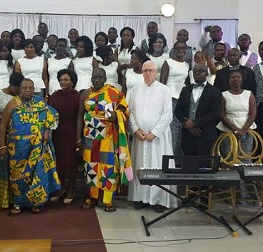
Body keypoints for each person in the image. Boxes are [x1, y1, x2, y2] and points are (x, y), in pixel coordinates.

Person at [0, 79, 60, 215]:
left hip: (36, 147)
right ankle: (18, 203)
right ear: (20, 89)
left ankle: (37, 202)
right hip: (17, 148)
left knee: (36, 174)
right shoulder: (12, 104)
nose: (27, 90)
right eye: (24, 88)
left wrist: (47, 130)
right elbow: (2, 126)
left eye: (30, 88)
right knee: (17, 176)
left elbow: (52, 115)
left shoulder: (39, 102)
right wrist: (1, 146)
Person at [78, 68, 132, 212]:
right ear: (91, 78)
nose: (97, 80)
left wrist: (116, 114)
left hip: (107, 137)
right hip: (90, 138)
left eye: (100, 77)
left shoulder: (113, 92)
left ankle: (108, 200)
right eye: (94, 77)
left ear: (105, 78)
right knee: (91, 168)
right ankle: (93, 197)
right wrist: (78, 139)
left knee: (108, 167)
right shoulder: (85, 93)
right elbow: (79, 117)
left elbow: (124, 109)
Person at [127, 61, 176, 212]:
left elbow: (168, 114)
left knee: (158, 165)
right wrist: (135, 129)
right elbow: (130, 112)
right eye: (145, 71)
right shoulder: (135, 90)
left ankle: (159, 200)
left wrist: (154, 132)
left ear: (156, 72)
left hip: (158, 138)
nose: (148, 73)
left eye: (151, 71)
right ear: (142, 72)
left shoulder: (165, 90)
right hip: (140, 137)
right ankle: (140, 198)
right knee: (139, 166)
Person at [48, 69, 80, 204]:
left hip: (72, 130)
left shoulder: (78, 96)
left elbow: (80, 116)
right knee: (59, 161)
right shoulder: (55, 95)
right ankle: (59, 188)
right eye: (61, 80)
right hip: (57, 132)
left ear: (72, 81)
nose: (63, 82)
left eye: (66, 80)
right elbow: (49, 113)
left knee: (71, 161)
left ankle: (71, 189)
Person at [175, 64, 222, 157]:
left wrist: (195, 123)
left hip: (205, 134)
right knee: (188, 166)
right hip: (187, 134)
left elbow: (215, 113)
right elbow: (178, 110)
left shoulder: (214, 91)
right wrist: (188, 125)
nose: (197, 73)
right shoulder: (185, 90)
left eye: (201, 71)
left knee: (204, 167)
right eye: (195, 71)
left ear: (207, 73)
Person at [217, 71, 257, 163]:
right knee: (228, 156)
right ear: (229, 80)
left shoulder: (249, 94)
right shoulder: (223, 95)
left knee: (245, 156)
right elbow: (221, 114)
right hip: (227, 129)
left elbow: (252, 114)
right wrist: (234, 129)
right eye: (233, 77)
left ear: (242, 80)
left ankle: (245, 177)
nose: (236, 79)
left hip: (246, 130)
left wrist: (243, 130)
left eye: (238, 77)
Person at [160, 41, 190, 158]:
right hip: (169, 97)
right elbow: (163, 82)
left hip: (181, 99)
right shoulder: (168, 62)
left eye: (183, 48)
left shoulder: (186, 65)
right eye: (178, 48)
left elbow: (186, 82)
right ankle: (169, 157)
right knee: (171, 129)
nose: (181, 50)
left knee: (179, 129)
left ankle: (177, 157)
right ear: (174, 49)